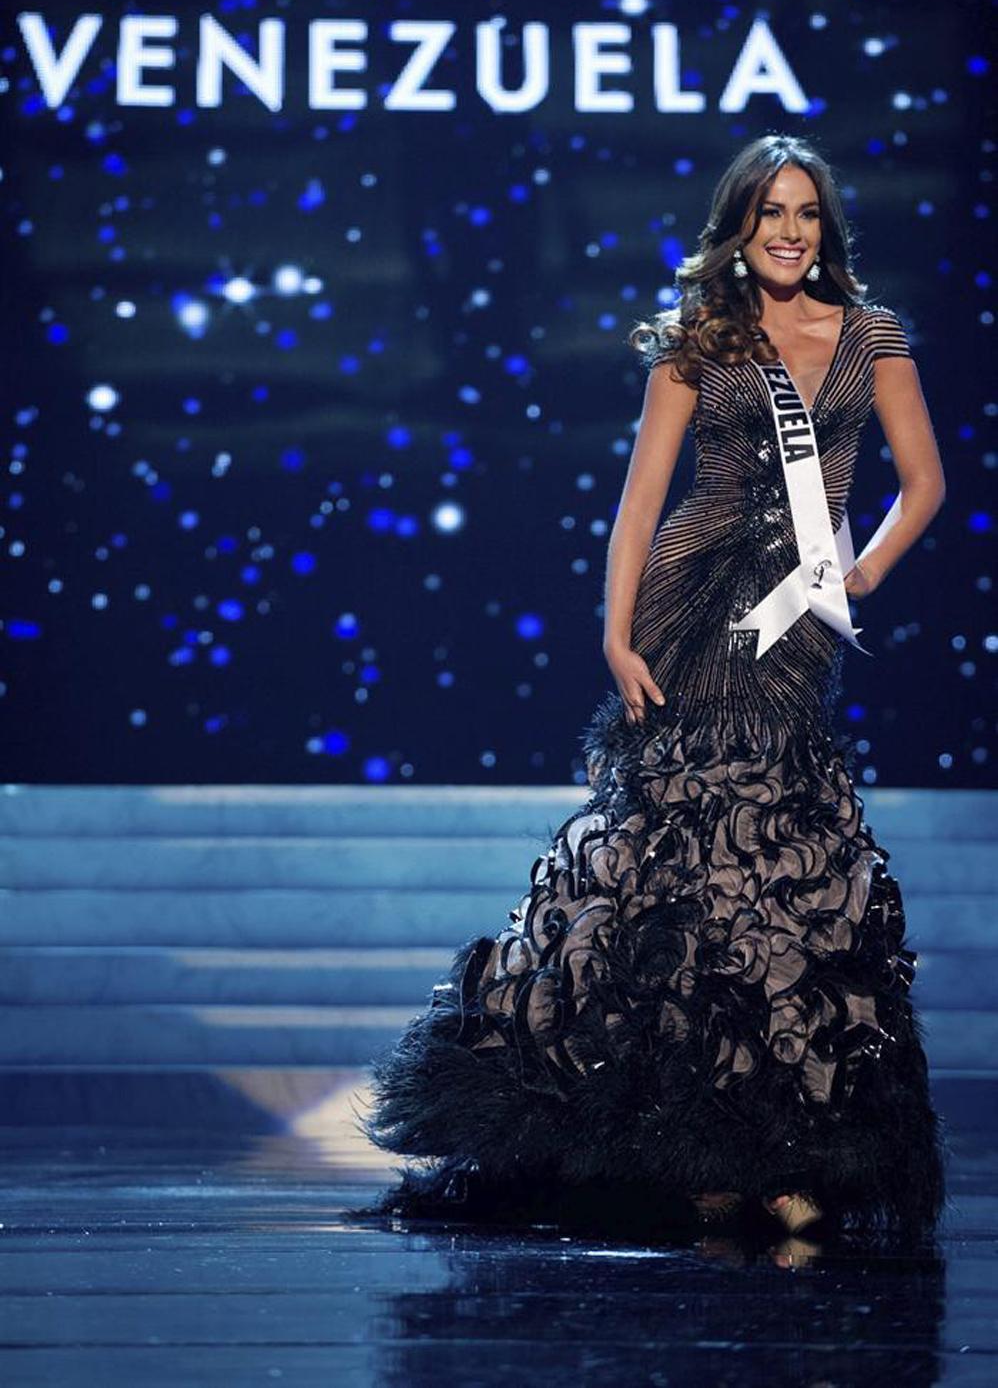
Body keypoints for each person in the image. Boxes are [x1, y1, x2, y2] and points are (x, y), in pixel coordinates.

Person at [353, 134, 947, 1239]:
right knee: (675, 849)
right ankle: (697, 1139)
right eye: (768, 210)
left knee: (775, 843)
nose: (787, 230)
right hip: (691, 599)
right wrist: (616, 635)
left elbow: (923, 484)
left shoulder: (872, 337)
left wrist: (855, 573)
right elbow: (638, 505)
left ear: (825, 230)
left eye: (805, 213)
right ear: (738, 223)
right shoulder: (697, 340)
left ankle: (782, 1131)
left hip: (795, 610)